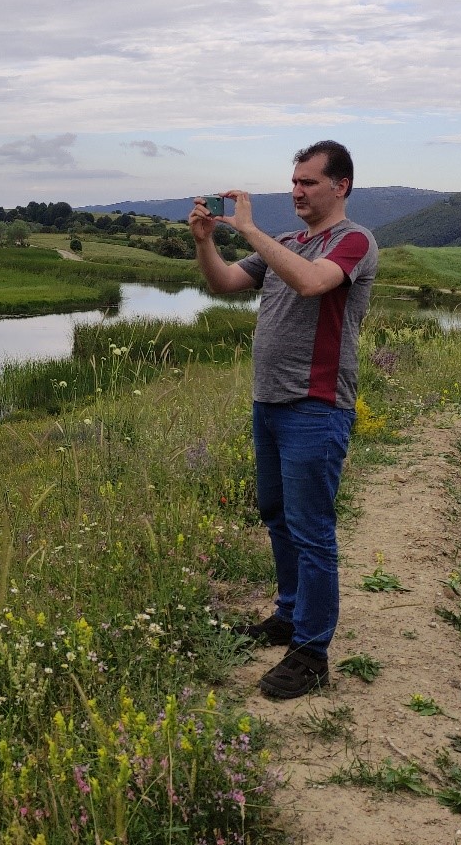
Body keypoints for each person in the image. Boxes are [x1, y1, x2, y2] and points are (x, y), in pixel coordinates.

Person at [188, 140, 378, 699]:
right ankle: (290, 616)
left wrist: (248, 229)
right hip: (269, 403)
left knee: (312, 530)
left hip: (316, 407)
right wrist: (205, 244)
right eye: (294, 182)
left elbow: (313, 282)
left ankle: (312, 652)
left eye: (309, 182)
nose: (297, 191)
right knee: (277, 516)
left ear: (340, 185)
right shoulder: (289, 243)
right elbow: (224, 284)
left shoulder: (354, 241)